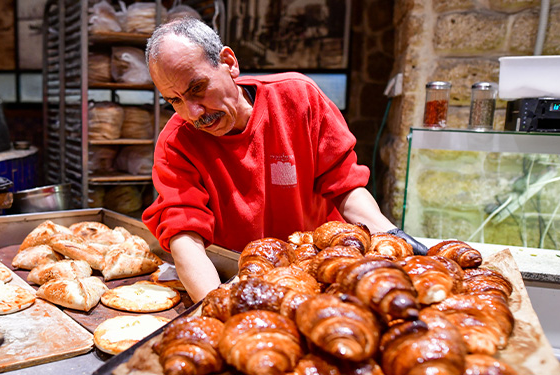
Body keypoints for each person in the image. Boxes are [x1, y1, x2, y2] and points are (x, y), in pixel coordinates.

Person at [142, 17, 426, 302]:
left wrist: (390, 234)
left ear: (229, 62)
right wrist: (216, 305)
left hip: (320, 272)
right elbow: (184, 236)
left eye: (197, 88)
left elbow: (345, 185)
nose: (193, 113)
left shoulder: (297, 98)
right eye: (174, 100)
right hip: (240, 279)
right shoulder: (177, 142)